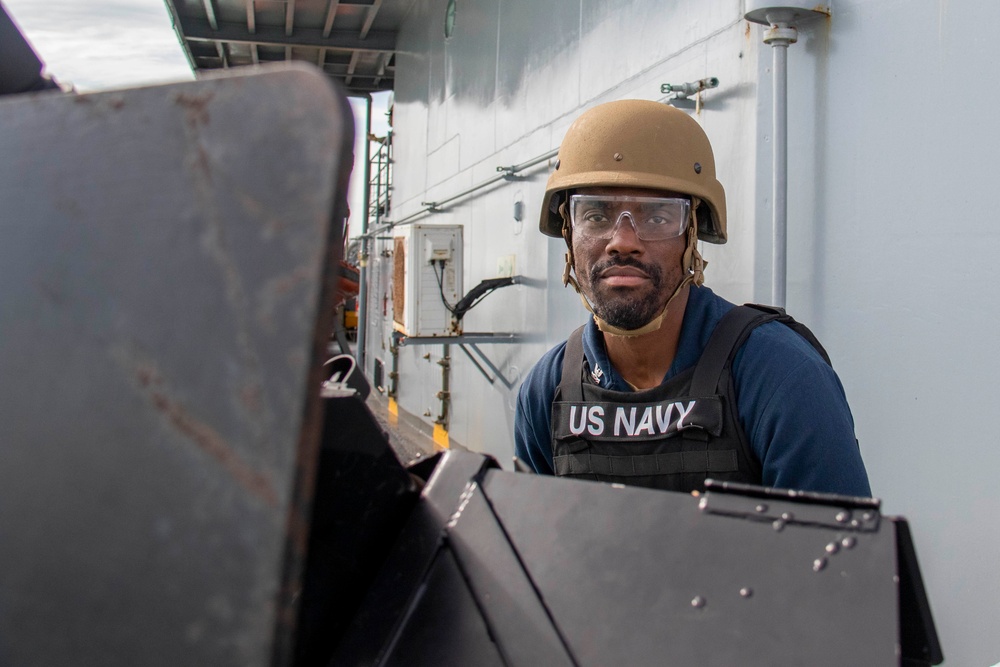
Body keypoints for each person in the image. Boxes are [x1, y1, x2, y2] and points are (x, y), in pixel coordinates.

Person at [514, 99, 870, 496]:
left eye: (658, 218)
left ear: (692, 235)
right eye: (596, 216)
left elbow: (840, 554)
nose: (623, 242)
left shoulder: (779, 376)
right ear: (568, 233)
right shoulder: (547, 393)